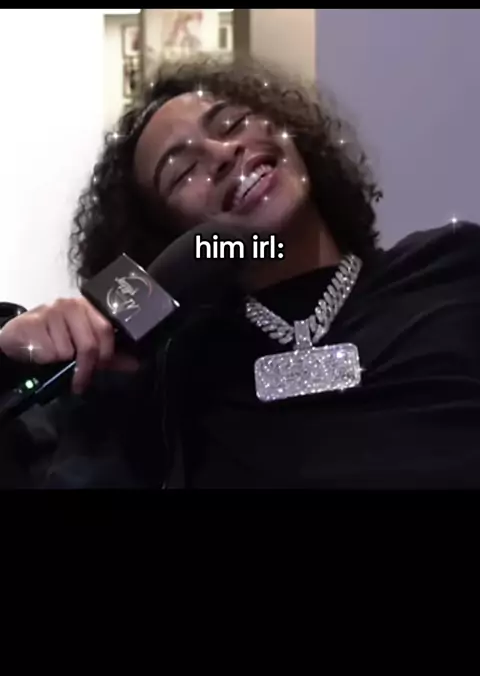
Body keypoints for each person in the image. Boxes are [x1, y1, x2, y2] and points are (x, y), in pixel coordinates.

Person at [1, 57, 480, 488]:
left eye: (232, 123)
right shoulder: (177, 369)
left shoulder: (451, 266)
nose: (224, 152)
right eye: (182, 171)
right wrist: (13, 350)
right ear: (167, 239)